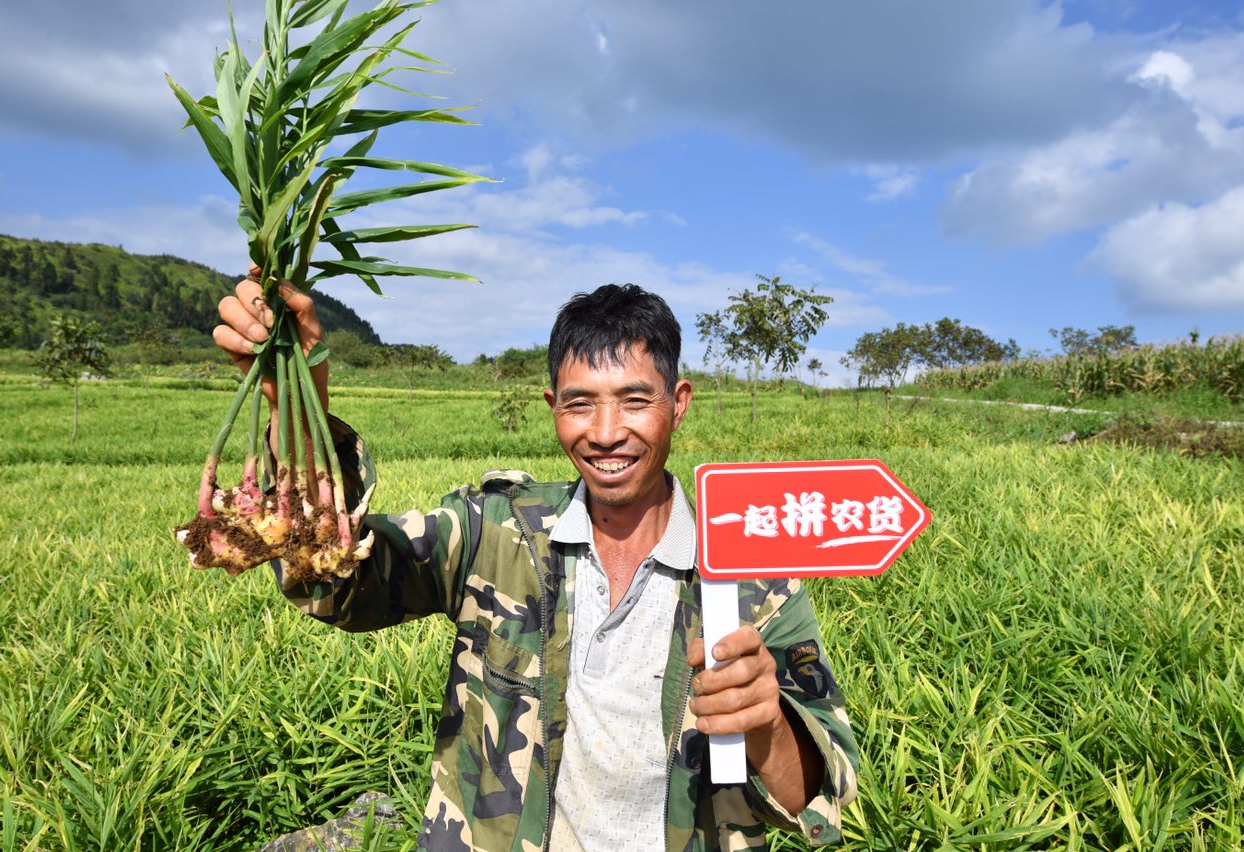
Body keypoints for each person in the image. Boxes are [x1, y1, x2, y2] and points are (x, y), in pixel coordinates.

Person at [214, 277, 859, 850]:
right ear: (552, 406)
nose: (606, 432)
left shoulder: (751, 579)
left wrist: (766, 722)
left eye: (635, 400)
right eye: (580, 404)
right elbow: (341, 583)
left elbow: (819, 795)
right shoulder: (497, 530)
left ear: (679, 402)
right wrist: (295, 404)